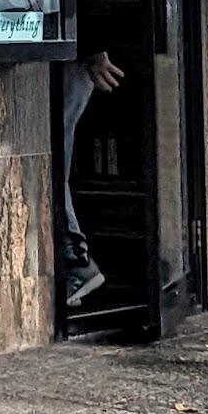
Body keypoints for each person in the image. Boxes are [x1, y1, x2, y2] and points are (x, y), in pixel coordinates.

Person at [60, 43, 120, 306]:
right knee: (54, 167)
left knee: (53, 169)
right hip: (78, 56)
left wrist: (96, 50)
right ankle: (74, 267)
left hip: (77, 57)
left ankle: (76, 263)